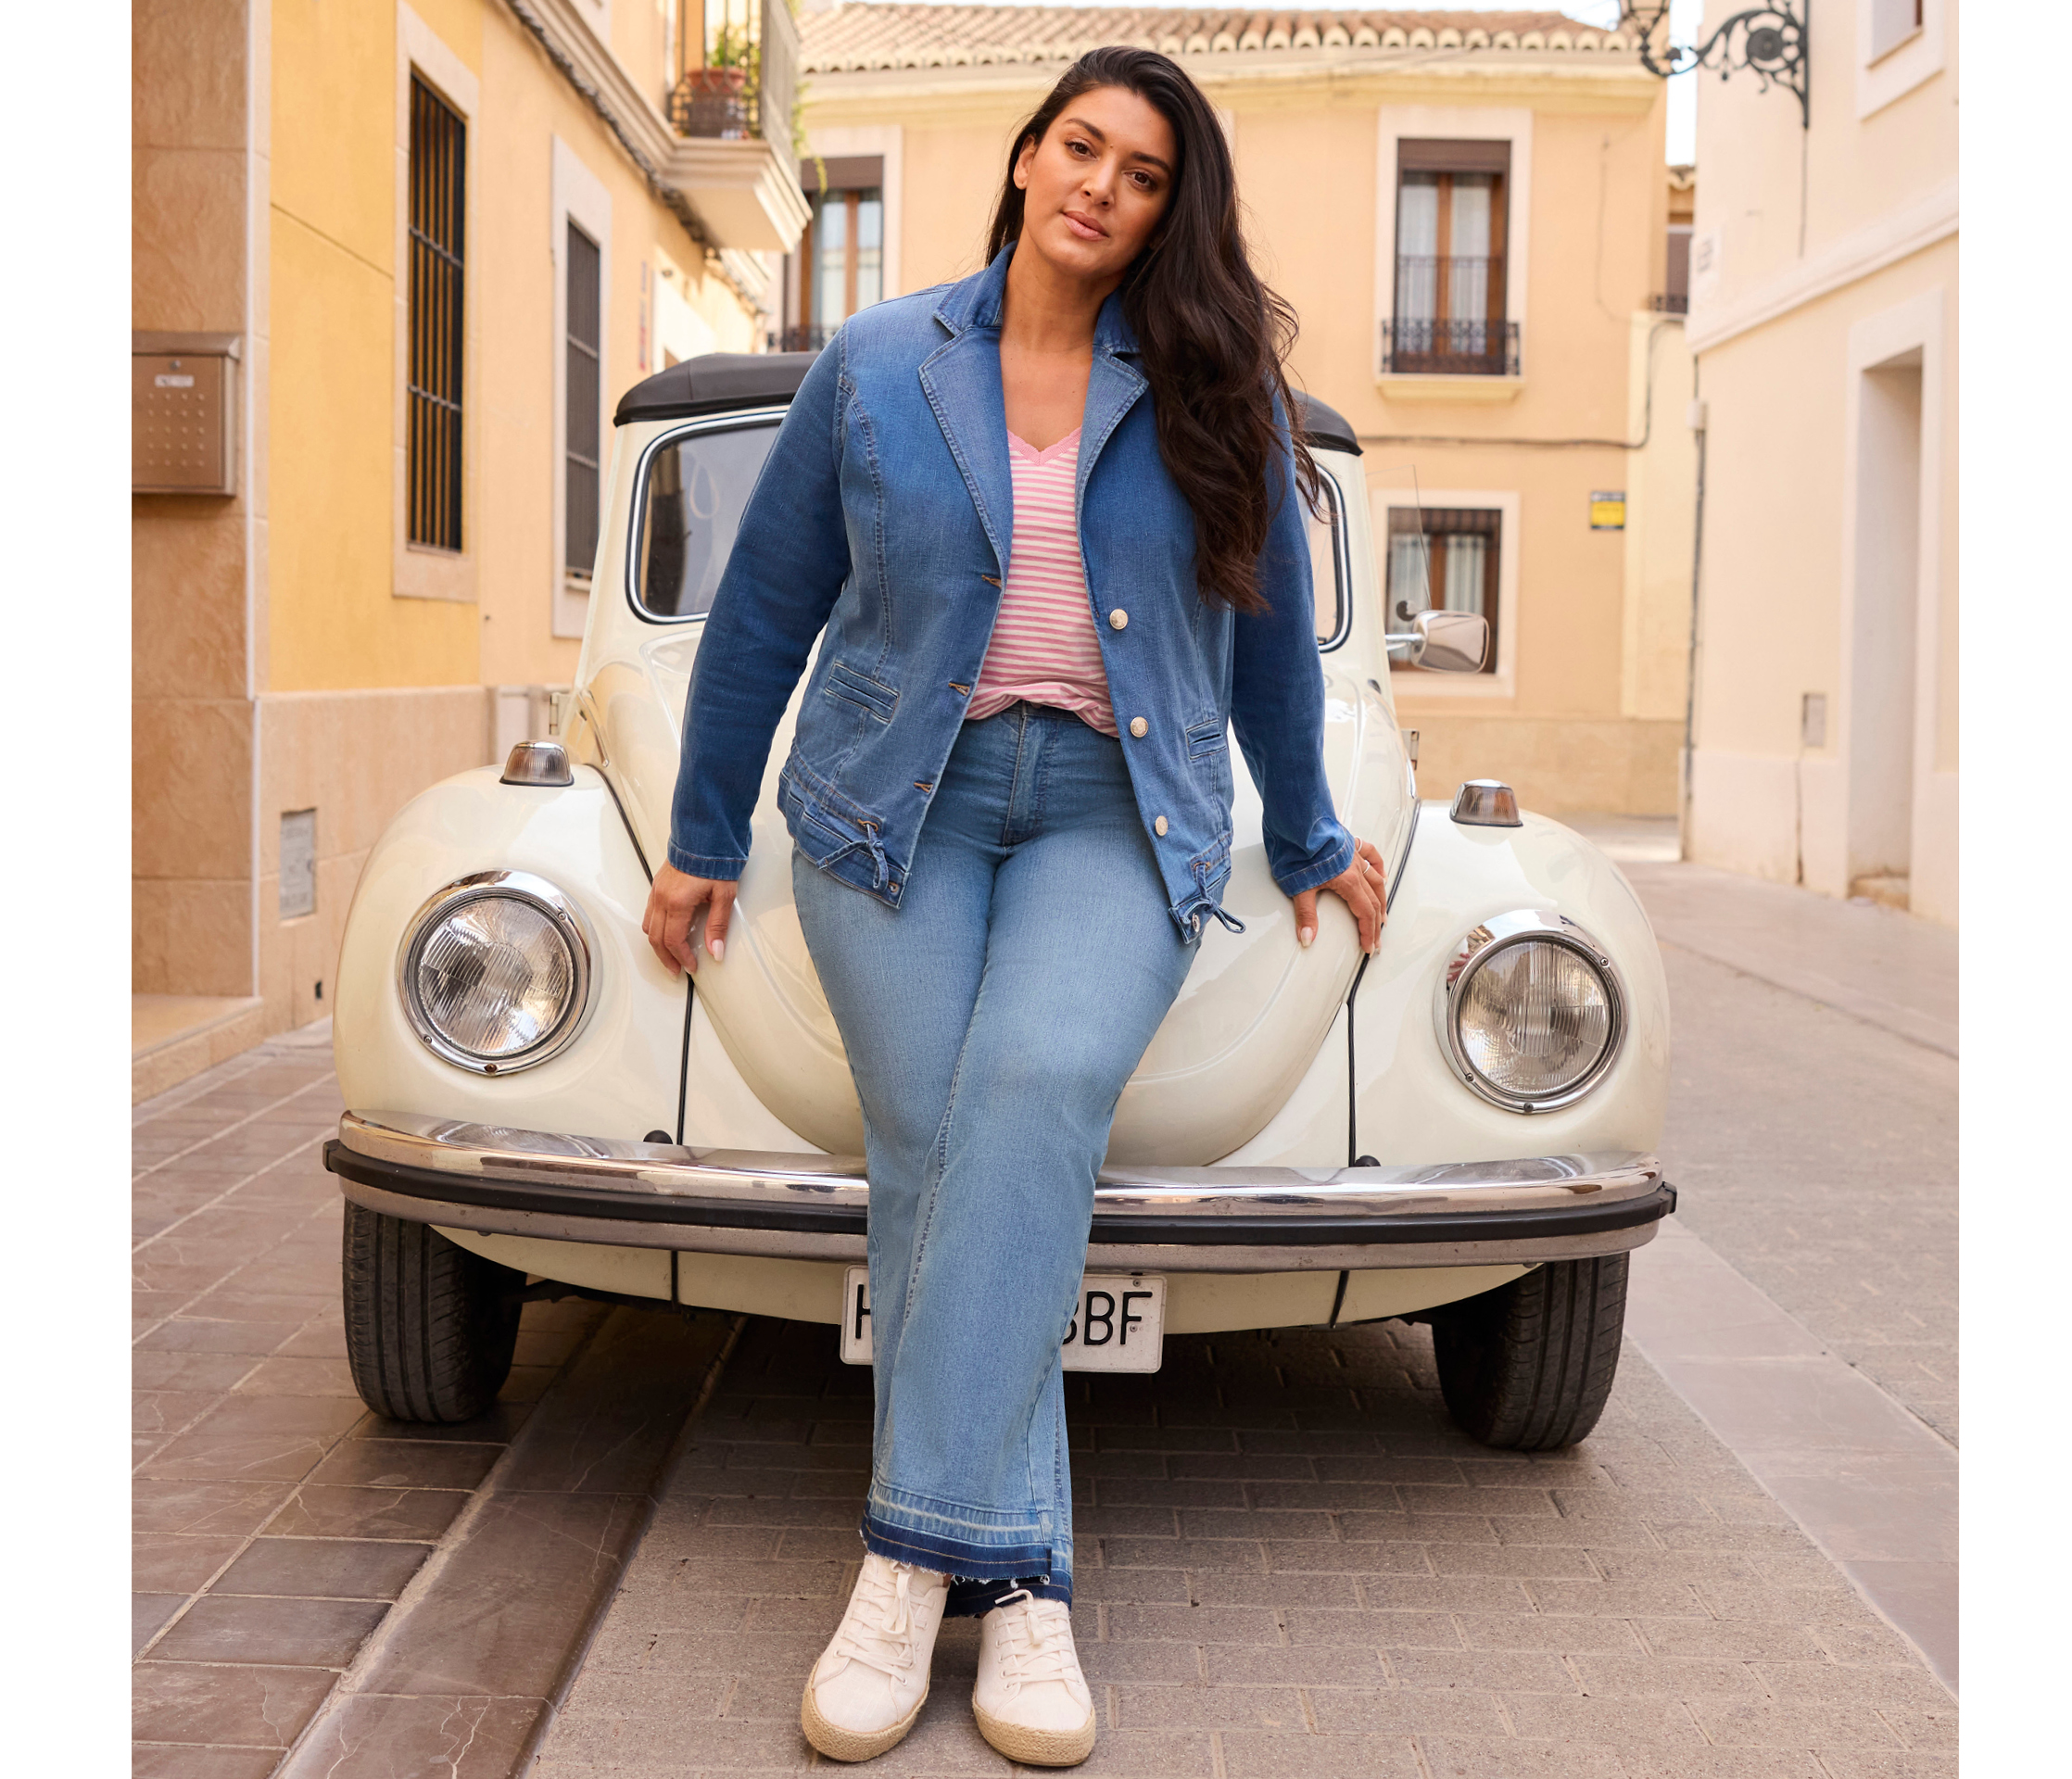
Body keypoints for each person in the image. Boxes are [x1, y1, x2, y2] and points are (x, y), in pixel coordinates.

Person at [640, 44, 1386, 1768]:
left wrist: (1306, 833)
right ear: (1030, 153)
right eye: (1081, 148)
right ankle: (1028, 1583)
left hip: (1114, 818)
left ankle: (909, 1566)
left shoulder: (1218, 393)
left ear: (1163, 213)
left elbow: (1271, 641)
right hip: (892, 811)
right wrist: (701, 840)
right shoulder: (882, 362)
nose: (1100, 187)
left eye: (1140, 173)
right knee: (935, 1147)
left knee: (1033, 1094)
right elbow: (762, 615)